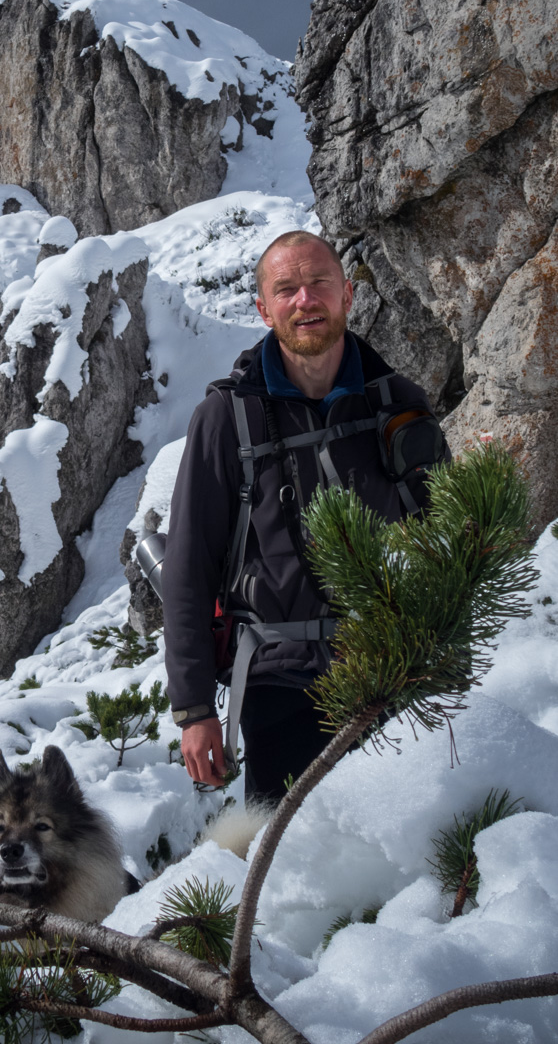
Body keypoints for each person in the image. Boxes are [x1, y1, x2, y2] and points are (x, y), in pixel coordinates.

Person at [161, 230, 447, 801]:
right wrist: (194, 710)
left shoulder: (396, 403)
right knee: (293, 871)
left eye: (319, 283)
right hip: (279, 683)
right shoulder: (227, 419)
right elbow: (188, 565)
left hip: (394, 666)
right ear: (264, 309)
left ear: (346, 294)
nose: (305, 299)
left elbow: (443, 534)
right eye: (286, 289)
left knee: (412, 855)